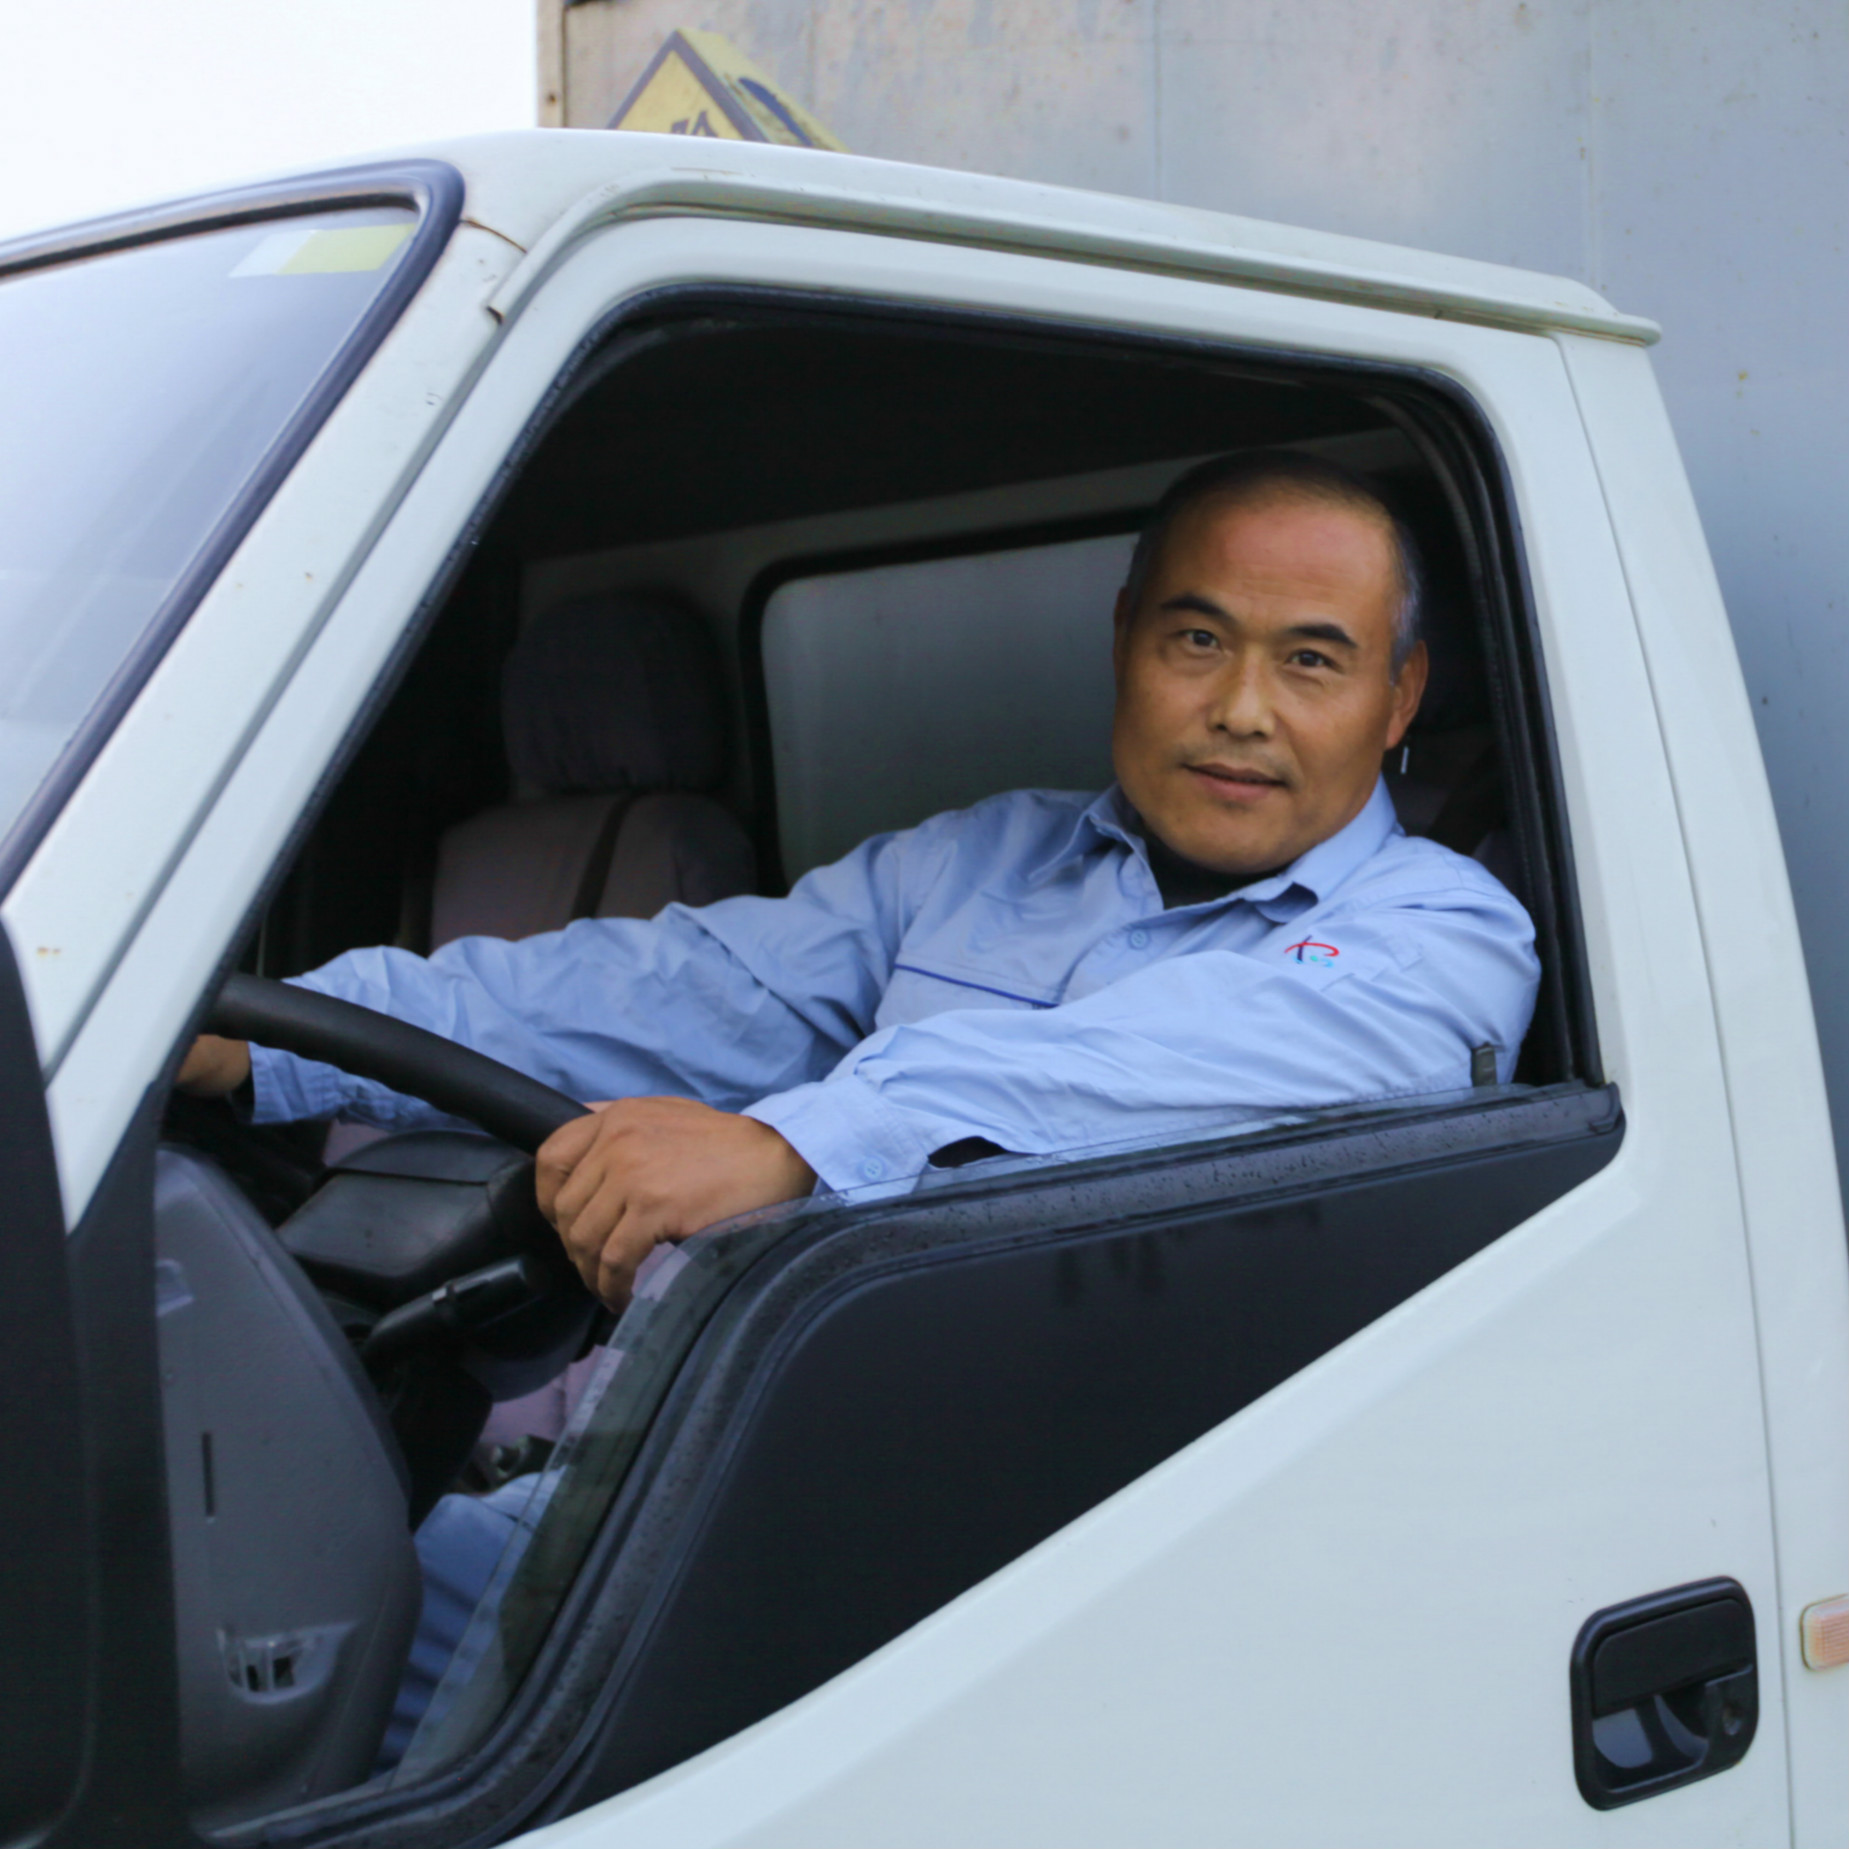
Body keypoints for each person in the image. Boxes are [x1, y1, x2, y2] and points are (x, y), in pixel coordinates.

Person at [180, 450, 1540, 1312]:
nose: (1241, 708)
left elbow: (1158, 1063)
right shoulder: (981, 858)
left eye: (1310, 660)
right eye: (1197, 639)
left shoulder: (1446, 932)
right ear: (1124, 637)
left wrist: (799, 1147)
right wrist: (280, 1033)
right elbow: (678, 988)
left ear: (1398, 694)